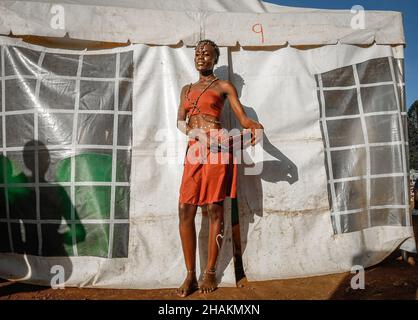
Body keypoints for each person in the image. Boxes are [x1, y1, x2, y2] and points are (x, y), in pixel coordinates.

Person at [176, 39, 264, 297]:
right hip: (195, 148)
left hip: (218, 148)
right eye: (197, 53)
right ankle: (190, 274)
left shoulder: (225, 86)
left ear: (215, 59)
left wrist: (255, 128)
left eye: (207, 54)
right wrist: (194, 132)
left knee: (214, 209)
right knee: (185, 209)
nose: (201, 57)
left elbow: (244, 119)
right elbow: (179, 122)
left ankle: (210, 272)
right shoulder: (186, 89)